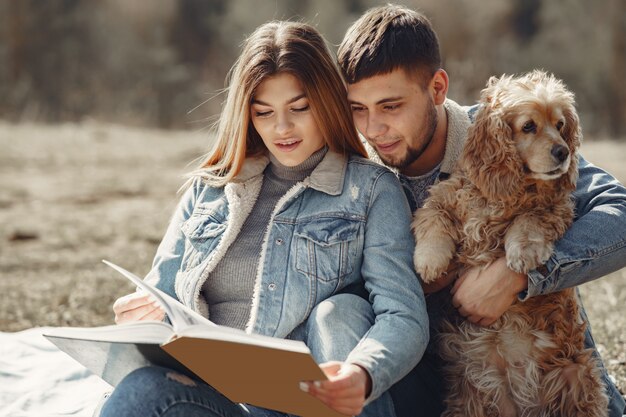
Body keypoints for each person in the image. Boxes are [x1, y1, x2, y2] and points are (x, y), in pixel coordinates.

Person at [96, 20, 428, 417]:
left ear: (326, 101)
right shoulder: (210, 189)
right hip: (217, 400)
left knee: (338, 312)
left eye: (299, 108)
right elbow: (161, 295)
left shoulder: (370, 190)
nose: (282, 128)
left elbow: (403, 313)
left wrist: (363, 372)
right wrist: (137, 318)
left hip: (306, 405)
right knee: (142, 390)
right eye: (264, 112)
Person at [337, 4, 626, 417]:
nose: (372, 129)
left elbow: (621, 212)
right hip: (460, 394)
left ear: (437, 88)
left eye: (391, 106)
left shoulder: (503, 127)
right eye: (358, 109)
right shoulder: (360, 176)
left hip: (555, 389)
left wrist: (519, 274)